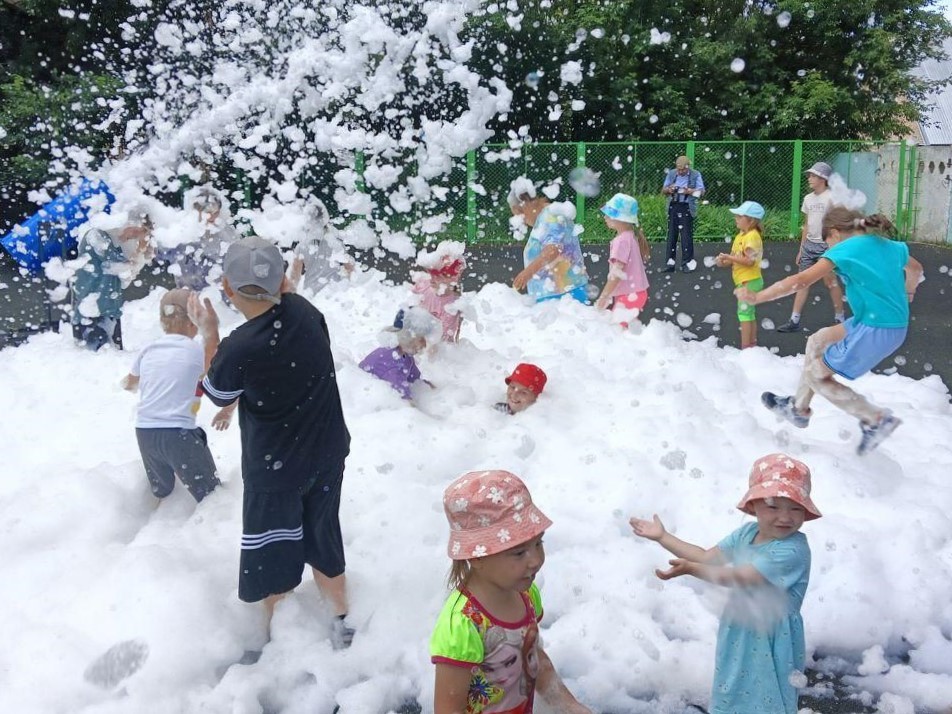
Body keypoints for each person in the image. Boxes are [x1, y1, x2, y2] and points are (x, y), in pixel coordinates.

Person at [193, 236, 354, 648]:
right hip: (326, 452)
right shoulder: (306, 312)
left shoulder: (238, 348)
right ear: (282, 280)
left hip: (275, 468)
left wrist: (209, 333)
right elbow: (290, 328)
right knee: (322, 534)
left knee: (273, 552)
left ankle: (277, 644)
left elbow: (216, 393)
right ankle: (340, 620)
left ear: (227, 289)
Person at [631, 453, 821, 714]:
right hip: (740, 627)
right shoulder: (747, 533)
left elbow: (742, 577)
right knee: (733, 689)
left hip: (774, 635)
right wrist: (664, 537)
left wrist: (692, 570)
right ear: (753, 506)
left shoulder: (793, 550)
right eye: (773, 506)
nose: (785, 517)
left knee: (767, 695)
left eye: (795, 508)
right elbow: (708, 557)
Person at [735, 208, 923, 456]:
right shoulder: (886, 244)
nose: (828, 248)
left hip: (876, 329)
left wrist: (758, 297)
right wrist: (909, 292)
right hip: (872, 322)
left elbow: (801, 281)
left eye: (827, 242)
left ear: (834, 233)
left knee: (816, 374)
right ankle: (798, 408)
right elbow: (916, 269)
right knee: (818, 339)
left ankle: (876, 419)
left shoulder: (845, 249)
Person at [431, 469, 592, 714]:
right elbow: (447, 710)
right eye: (518, 552)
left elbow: (534, 659)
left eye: (539, 543)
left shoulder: (526, 594)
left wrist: (570, 706)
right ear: (476, 556)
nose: (535, 560)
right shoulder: (463, 625)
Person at [121, 288, 221, 503]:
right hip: (178, 435)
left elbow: (129, 383)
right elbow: (214, 366)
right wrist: (211, 331)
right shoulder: (195, 350)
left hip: (145, 433)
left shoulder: (148, 350)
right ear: (193, 322)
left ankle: (155, 525)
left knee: (163, 494)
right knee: (212, 497)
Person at [70, 206, 154, 351]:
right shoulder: (96, 235)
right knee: (96, 362)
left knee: (112, 359)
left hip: (110, 311)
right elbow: (116, 266)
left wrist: (139, 253)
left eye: (138, 235)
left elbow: (125, 281)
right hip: (90, 312)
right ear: (127, 222)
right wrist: (139, 251)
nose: (134, 237)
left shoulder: (117, 245)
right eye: (136, 232)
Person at [777, 162, 846, 332]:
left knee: (830, 282)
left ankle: (840, 319)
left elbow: (839, 224)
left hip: (826, 247)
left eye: (813, 176)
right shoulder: (808, 199)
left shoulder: (832, 198)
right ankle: (794, 321)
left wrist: (834, 248)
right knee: (802, 282)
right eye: (809, 175)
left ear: (823, 178)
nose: (809, 178)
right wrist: (801, 249)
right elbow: (807, 225)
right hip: (809, 246)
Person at [508, 178, 590, 303]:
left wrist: (527, 273)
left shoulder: (551, 216)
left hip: (563, 294)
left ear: (528, 203)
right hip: (556, 293)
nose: (520, 219)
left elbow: (553, 249)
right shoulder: (545, 217)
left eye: (520, 213)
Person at [164, 186, 238, 292]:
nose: (212, 217)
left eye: (215, 212)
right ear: (194, 212)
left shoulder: (224, 231)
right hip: (189, 293)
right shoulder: (181, 233)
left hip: (220, 292)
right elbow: (161, 253)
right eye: (207, 213)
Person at [358, 307, 439, 400]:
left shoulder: (405, 355)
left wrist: (438, 390)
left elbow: (416, 381)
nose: (424, 345)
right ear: (407, 336)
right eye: (421, 339)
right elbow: (403, 401)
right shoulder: (392, 363)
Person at [715, 201, 765, 349]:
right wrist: (722, 261)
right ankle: (752, 345)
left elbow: (749, 261)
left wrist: (729, 258)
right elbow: (734, 258)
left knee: (744, 315)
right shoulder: (740, 236)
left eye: (739, 216)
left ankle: (746, 348)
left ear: (751, 220)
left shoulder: (752, 237)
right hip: (746, 281)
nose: (736, 218)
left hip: (749, 281)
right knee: (749, 314)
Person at [594, 193, 650, 323]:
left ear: (621, 219)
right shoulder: (630, 236)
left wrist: (604, 296)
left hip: (629, 294)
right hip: (635, 293)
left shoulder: (621, 241)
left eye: (610, 214)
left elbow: (617, 273)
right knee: (622, 331)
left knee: (617, 332)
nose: (605, 217)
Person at [288, 199, 354, 294]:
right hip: (335, 294)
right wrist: (345, 284)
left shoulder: (302, 246)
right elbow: (350, 268)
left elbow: (294, 278)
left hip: (311, 293)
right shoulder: (335, 244)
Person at [411, 240, 466, 343]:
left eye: (439, 276)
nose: (432, 278)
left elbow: (443, 341)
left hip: (436, 344)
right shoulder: (424, 284)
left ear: (453, 279)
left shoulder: (451, 308)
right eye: (432, 273)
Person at [661, 155, 705, 273]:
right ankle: (670, 264)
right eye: (678, 169)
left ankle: (687, 264)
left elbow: (701, 192)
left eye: (683, 170)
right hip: (673, 206)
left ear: (688, 167)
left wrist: (690, 191)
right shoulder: (671, 174)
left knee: (686, 237)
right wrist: (670, 189)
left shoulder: (696, 175)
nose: (680, 172)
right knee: (671, 236)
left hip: (687, 207)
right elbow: (663, 190)